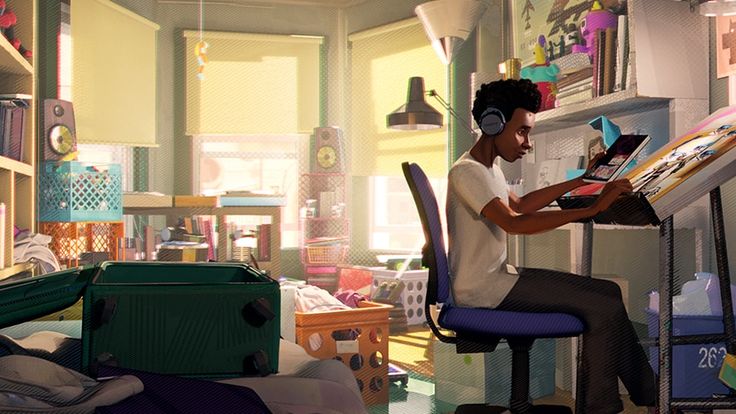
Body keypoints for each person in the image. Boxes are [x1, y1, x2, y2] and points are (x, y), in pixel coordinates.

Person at [446, 78, 657, 414]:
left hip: (499, 278)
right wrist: (592, 209)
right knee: (601, 307)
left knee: (608, 293)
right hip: (483, 289)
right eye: (521, 131)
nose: (527, 143)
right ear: (492, 124)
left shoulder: (488, 169)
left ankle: (652, 397)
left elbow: (522, 205)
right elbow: (514, 223)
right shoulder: (467, 173)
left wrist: (584, 179)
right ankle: (602, 408)